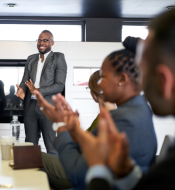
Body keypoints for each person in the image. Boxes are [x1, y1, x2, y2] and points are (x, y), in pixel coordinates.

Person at [34, 36, 157, 190]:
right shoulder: (141, 109)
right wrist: (74, 128)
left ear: (122, 79)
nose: (100, 84)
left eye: (103, 77)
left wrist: (61, 125)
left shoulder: (122, 120)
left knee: (31, 157)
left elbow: (77, 173)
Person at [71, 9, 175, 190]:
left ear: (164, 81)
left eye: (142, 73)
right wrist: (128, 173)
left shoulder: (167, 173)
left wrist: (98, 170)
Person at [40, 70, 116, 190]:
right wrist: (74, 128)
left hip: (78, 171)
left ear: (94, 93)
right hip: (80, 165)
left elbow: (85, 150)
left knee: (35, 156)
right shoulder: (108, 116)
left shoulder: (106, 120)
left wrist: (61, 126)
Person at [16, 30, 67, 156]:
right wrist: (21, 88)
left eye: (45, 40)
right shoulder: (31, 58)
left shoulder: (58, 57)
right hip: (30, 106)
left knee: (51, 144)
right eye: (39, 40)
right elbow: (25, 79)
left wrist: (37, 91)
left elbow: (60, 86)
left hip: (48, 105)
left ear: (52, 42)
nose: (41, 43)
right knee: (30, 143)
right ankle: (31, 172)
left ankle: (54, 175)